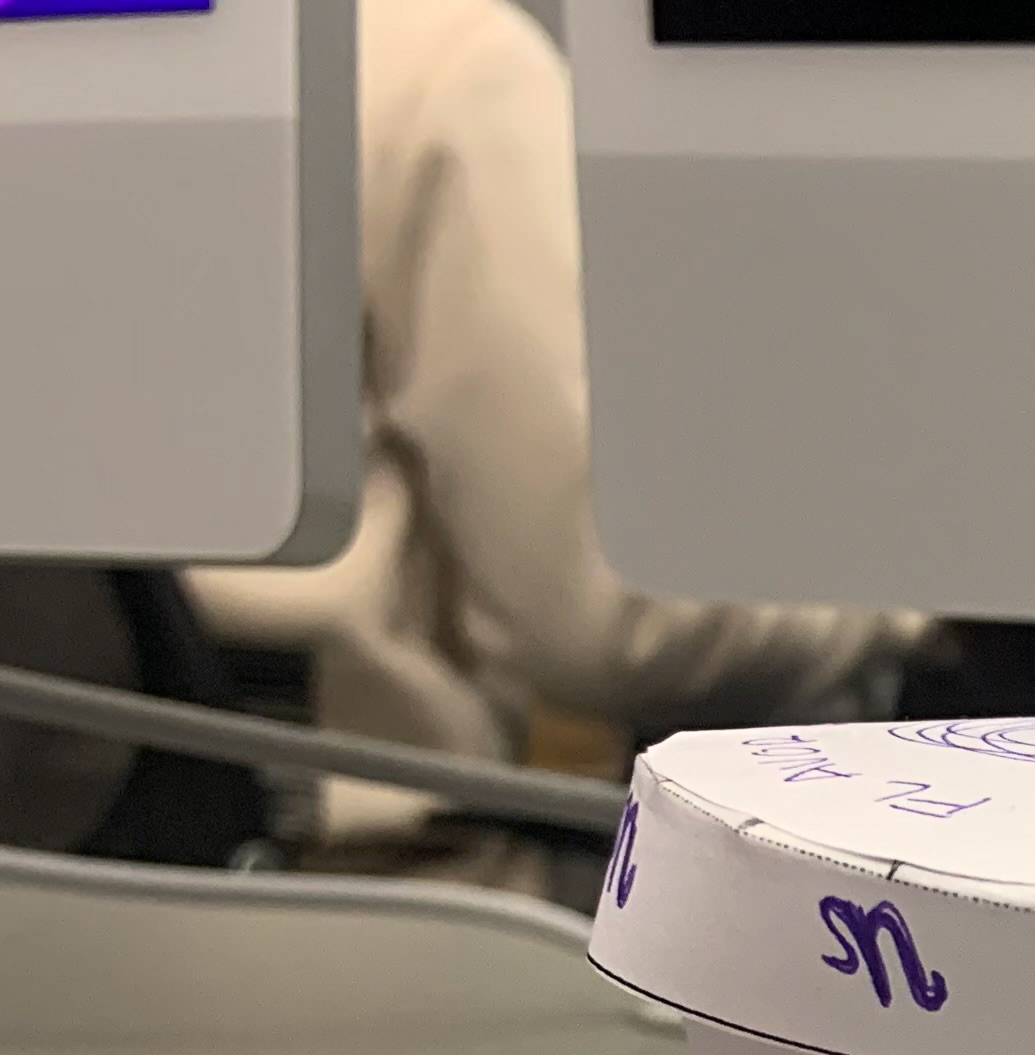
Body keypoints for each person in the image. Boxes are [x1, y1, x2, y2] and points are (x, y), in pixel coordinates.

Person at [190, 0, 919, 889]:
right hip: (369, 896)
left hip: (77, 857)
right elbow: (617, 622)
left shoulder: (80, 49)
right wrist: (921, 592)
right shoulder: (447, 65)